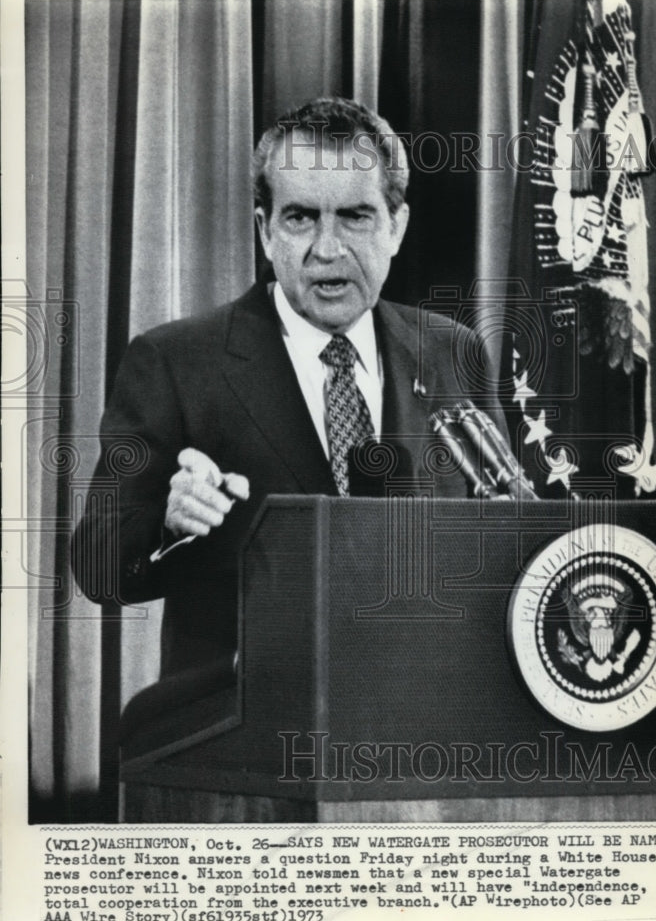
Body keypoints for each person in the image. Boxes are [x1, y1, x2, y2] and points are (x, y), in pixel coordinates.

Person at [72, 97, 506, 676]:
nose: (328, 248)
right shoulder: (176, 362)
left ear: (396, 226)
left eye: (355, 216)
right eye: (301, 217)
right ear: (265, 231)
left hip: (426, 726)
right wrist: (168, 523)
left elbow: (510, 540)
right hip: (251, 737)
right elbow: (96, 565)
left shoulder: (454, 352)